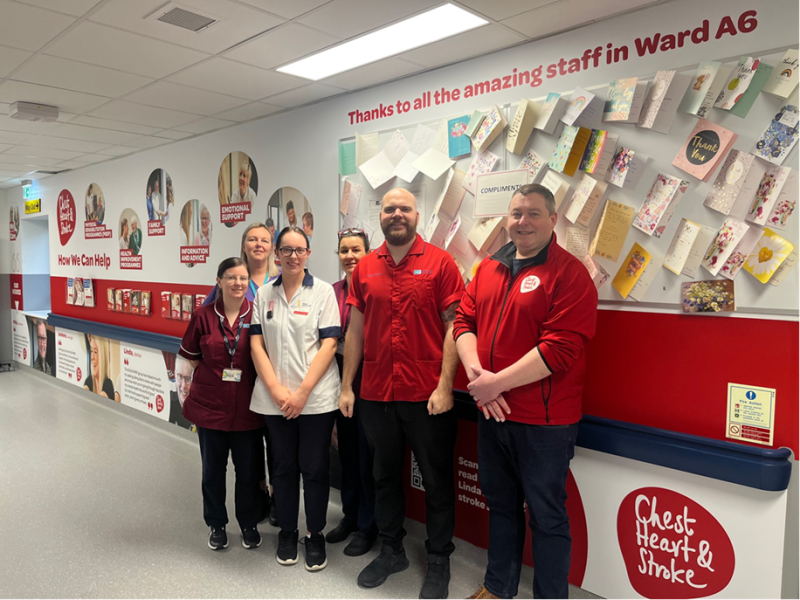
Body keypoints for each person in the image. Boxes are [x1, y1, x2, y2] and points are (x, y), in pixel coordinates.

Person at [453, 184, 598, 600]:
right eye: (516, 213)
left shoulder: (570, 274)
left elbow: (561, 348)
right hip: (492, 413)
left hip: (544, 423)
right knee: (500, 505)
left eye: (534, 213)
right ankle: (498, 588)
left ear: (554, 220)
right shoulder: (488, 268)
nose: (523, 222)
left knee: (547, 517)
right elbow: (464, 322)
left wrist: (492, 384)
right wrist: (478, 376)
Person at [340, 188, 464, 600]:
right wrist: (346, 386)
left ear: (416, 215)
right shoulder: (365, 268)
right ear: (382, 216)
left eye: (404, 208)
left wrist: (447, 386)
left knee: (436, 481)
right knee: (384, 476)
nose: (397, 214)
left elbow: (455, 327)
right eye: (389, 208)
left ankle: (439, 559)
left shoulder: (441, 263)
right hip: (376, 393)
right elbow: (355, 331)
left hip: (428, 395)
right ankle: (392, 550)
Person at [250, 226, 341, 572]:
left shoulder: (322, 293)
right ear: (276, 254)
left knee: (315, 468)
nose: (292, 256)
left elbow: (329, 344)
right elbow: (257, 344)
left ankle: (314, 533)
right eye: (285, 250)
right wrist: (275, 389)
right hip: (275, 399)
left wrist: (302, 392)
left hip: (315, 399)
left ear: (308, 253)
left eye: (298, 249)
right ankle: (288, 531)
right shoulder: (264, 295)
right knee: (283, 467)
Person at [178, 257, 264, 551]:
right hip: (210, 406)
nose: (238, 283)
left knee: (249, 472)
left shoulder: (258, 314)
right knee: (212, 471)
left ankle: (249, 523)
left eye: (243, 278)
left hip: (248, 408)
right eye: (231, 277)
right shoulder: (202, 317)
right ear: (219, 281)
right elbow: (191, 356)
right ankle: (216, 524)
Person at [202, 222, 282, 525]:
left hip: (277, 375)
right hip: (242, 380)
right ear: (244, 245)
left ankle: (277, 496)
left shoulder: (281, 278)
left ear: (271, 245)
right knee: (249, 450)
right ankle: (257, 496)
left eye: (264, 239)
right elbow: (209, 323)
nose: (258, 244)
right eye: (252, 239)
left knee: (276, 444)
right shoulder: (234, 276)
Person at [326, 228, 377, 556]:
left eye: (356, 249)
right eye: (344, 250)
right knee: (346, 453)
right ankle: (349, 515)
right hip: (340, 376)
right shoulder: (332, 291)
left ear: (368, 252)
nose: (350, 256)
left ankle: (368, 525)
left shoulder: (377, 286)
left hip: (371, 377)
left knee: (368, 456)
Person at [83, 334, 115, 399]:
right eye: (91, 351)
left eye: (95, 352)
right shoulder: (89, 381)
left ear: (102, 356)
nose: (92, 357)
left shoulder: (108, 385)